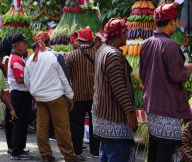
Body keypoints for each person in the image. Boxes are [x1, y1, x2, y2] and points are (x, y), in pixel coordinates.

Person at [140, 2, 192, 162]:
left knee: (155, 149)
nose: (176, 25)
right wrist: (188, 69)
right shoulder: (170, 45)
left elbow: (144, 72)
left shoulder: (147, 43)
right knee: (164, 153)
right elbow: (177, 76)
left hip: (152, 107)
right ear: (171, 22)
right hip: (167, 109)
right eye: (176, 21)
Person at [25, 32, 79, 162]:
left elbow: (27, 81)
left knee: (42, 128)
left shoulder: (30, 59)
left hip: (39, 98)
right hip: (56, 97)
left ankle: (46, 155)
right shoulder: (55, 56)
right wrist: (70, 96)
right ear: (49, 42)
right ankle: (69, 156)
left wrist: (34, 92)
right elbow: (64, 78)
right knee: (62, 128)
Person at [93, 18, 138, 162]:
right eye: (126, 33)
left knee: (106, 155)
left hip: (102, 119)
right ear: (120, 35)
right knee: (117, 155)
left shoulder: (102, 50)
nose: (127, 36)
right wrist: (130, 112)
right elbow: (118, 88)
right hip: (113, 121)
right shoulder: (113, 55)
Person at [65, 27, 99, 158]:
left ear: (79, 40)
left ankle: (77, 151)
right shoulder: (98, 54)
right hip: (94, 96)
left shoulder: (71, 55)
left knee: (76, 125)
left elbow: (65, 75)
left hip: (76, 96)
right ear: (91, 40)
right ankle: (95, 151)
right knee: (94, 123)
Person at [8, 33, 32, 160]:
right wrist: (32, 79)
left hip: (21, 94)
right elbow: (19, 79)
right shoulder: (16, 59)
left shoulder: (18, 57)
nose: (26, 45)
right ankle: (16, 151)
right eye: (24, 43)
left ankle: (20, 148)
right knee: (19, 122)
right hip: (19, 94)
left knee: (22, 122)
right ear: (17, 45)